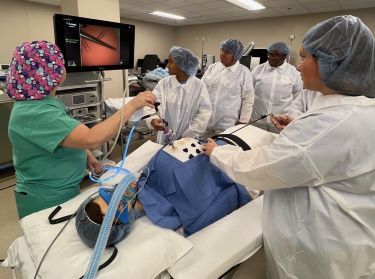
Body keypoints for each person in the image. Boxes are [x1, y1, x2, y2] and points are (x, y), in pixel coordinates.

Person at [203, 15, 375, 279]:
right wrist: (298, 122)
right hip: (348, 242)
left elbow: (261, 169)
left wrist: (219, 153)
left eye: (304, 57)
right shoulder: (360, 110)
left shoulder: (326, 126)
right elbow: (320, 147)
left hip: (318, 255)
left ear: (329, 65)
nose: (298, 66)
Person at [7, 40, 155, 219]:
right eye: (60, 64)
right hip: (46, 197)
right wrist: (132, 105)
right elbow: (91, 138)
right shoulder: (35, 112)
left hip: (63, 187)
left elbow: (66, 135)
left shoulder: (46, 102)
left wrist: (87, 155)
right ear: (48, 71)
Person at [76, 137, 250, 247]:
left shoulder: (146, 174)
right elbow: (236, 190)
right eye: (116, 206)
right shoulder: (191, 217)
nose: (117, 195)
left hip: (217, 139)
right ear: (123, 224)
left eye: (107, 195)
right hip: (243, 154)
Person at [145, 46, 212, 144]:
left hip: (188, 141)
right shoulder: (164, 83)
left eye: (171, 62)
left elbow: (203, 115)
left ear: (182, 65)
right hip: (164, 138)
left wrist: (186, 137)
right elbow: (150, 104)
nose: (167, 66)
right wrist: (153, 120)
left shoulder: (199, 86)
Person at [202, 39, 254, 137]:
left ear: (236, 55)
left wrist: (243, 122)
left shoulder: (244, 73)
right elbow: (201, 91)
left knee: (221, 149)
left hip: (227, 124)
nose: (222, 54)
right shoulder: (212, 68)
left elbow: (248, 100)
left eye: (227, 52)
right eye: (222, 50)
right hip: (205, 120)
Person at [251, 41, 303, 133]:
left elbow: (297, 97)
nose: (271, 57)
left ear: (284, 56)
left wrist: (291, 117)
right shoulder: (258, 70)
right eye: (270, 54)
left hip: (280, 122)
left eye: (276, 55)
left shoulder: (294, 73)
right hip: (257, 120)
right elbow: (249, 93)